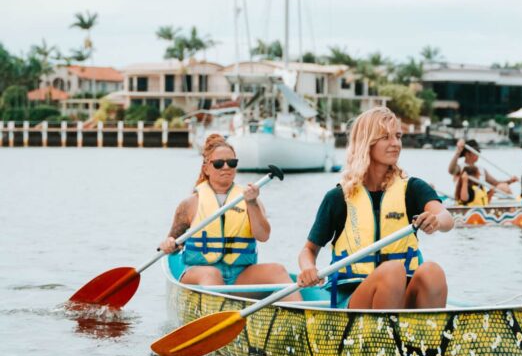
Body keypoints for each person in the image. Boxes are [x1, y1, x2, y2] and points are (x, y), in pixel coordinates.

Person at [297, 107, 454, 310]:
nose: (395, 143)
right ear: (366, 142)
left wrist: (437, 221)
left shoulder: (412, 188)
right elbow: (308, 250)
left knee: (433, 272)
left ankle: (425, 331)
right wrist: (308, 268)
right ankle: (386, 329)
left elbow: (446, 217)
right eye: (386, 137)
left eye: (398, 136)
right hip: (353, 298)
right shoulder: (338, 198)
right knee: (392, 272)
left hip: (402, 293)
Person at [159, 134, 295, 297]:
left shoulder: (251, 199)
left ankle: (302, 312)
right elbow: (173, 244)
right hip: (199, 275)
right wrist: (169, 244)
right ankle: (220, 309)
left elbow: (263, 236)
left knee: (277, 271)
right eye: (218, 163)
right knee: (211, 274)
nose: (226, 167)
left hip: (239, 275)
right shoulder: (190, 204)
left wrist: (252, 203)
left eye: (232, 163)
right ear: (206, 168)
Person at [448, 139, 517, 195]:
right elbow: (451, 170)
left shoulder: (481, 169)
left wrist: (510, 181)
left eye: (478, 151)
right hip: (466, 199)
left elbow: (495, 183)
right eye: (476, 151)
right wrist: (458, 151)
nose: (478, 154)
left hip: (480, 198)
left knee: (504, 187)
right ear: (467, 154)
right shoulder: (460, 167)